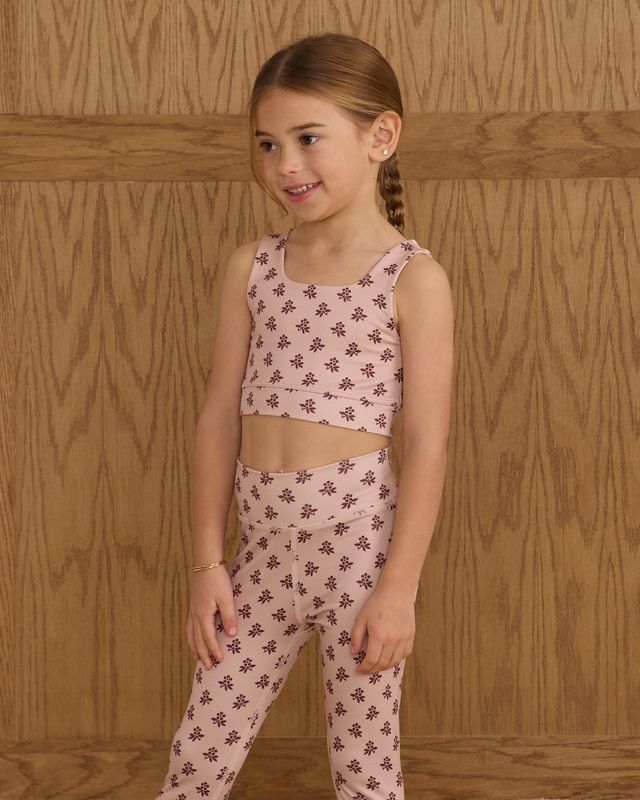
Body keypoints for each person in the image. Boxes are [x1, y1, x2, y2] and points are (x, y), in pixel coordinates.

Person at [155, 31, 453, 800]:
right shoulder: (251, 267)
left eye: (308, 138)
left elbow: (424, 445)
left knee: (363, 770)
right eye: (267, 143)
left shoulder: (412, 278)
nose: (285, 164)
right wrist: (207, 561)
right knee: (197, 759)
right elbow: (219, 415)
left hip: (357, 554)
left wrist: (398, 591)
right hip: (260, 555)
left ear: (381, 136)